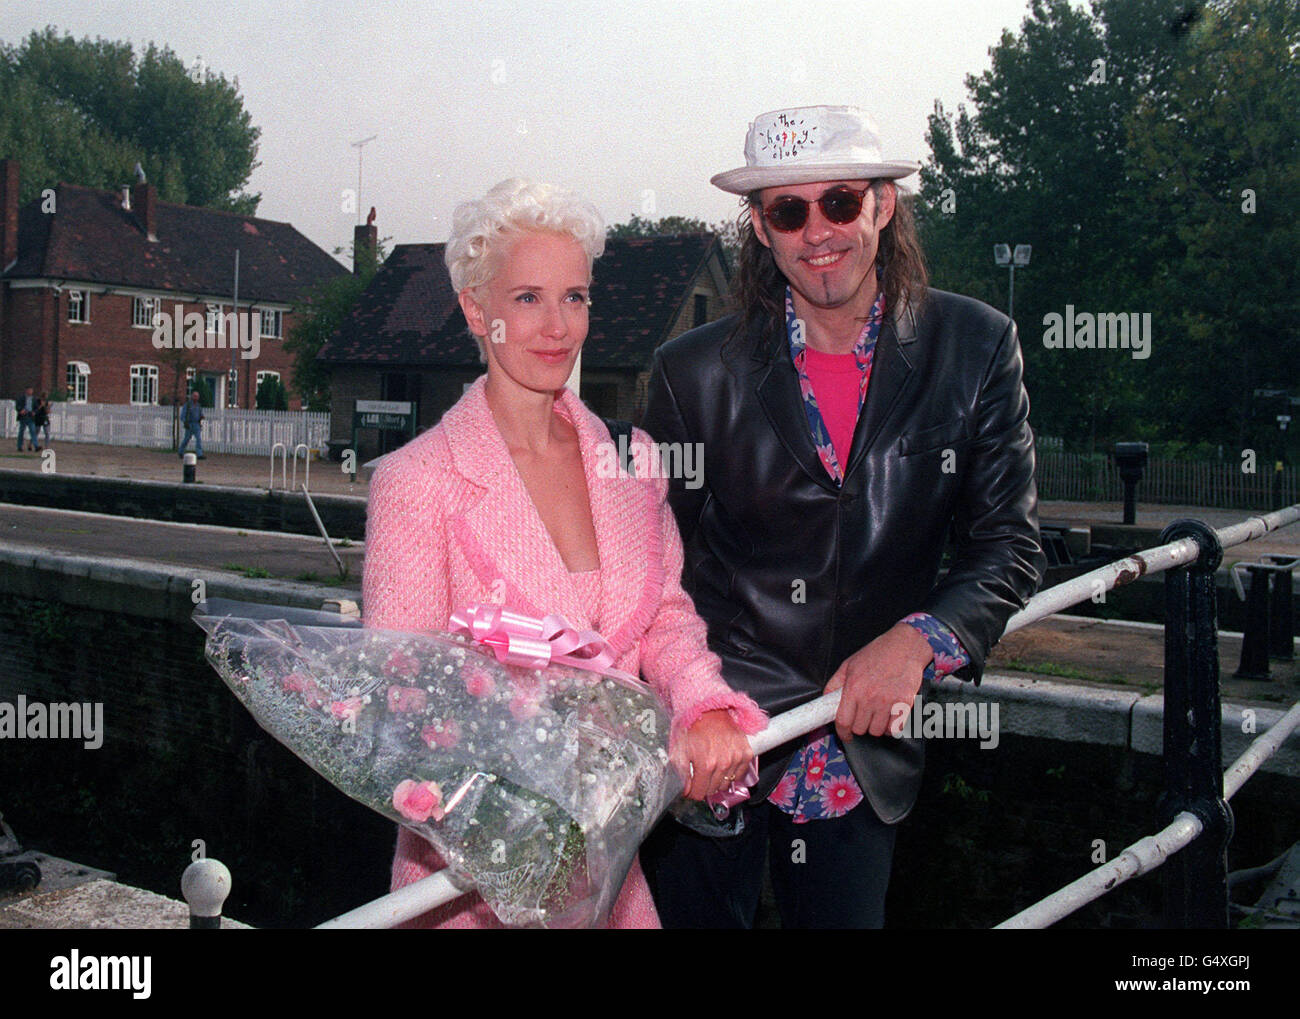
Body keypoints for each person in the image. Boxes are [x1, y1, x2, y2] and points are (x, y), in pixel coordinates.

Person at [640, 105, 1046, 928]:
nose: (817, 231)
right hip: (714, 738)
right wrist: (690, 700)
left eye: (841, 201)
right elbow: (653, 563)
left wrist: (917, 640)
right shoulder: (691, 371)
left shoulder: (976, 346)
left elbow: (1008, 543)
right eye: (788, 210)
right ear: (760, 227)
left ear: (884, 206)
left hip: (855, 744)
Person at [362, 178, 767, 928]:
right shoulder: (415, 483)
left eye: (575, 297)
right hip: (471, 883)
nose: (557, 326)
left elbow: (667, 623)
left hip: (612, 878)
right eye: (528, 298)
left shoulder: (633, 460)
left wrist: (704, 706)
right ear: (477, 311)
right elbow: (405, 702)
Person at [179, 389, 205, 458]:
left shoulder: (198, 405)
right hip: (189, 424)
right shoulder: (187, 405)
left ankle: (199, 454)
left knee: (199, 439)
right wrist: (185, 422)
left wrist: (202, 417)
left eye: (197, 396)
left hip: (196, 424)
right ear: (191, 397)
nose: (196, 398)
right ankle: (181, 451)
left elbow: (200, 413)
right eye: (194, 396)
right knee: (186, 439)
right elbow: (182, 415)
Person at [14, 387, 38, 452]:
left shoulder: (34, 399)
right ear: (26, 391)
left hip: (30, 416)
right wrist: (21, 410)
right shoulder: (21, 398)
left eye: (31, 391)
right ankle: (19, 446)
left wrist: (34, 412)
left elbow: (36, 407)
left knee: (33, 431)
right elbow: (17, 406)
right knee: (21, 432)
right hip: (23, 416)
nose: (30, 392)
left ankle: (36, 446)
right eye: (29, 390)